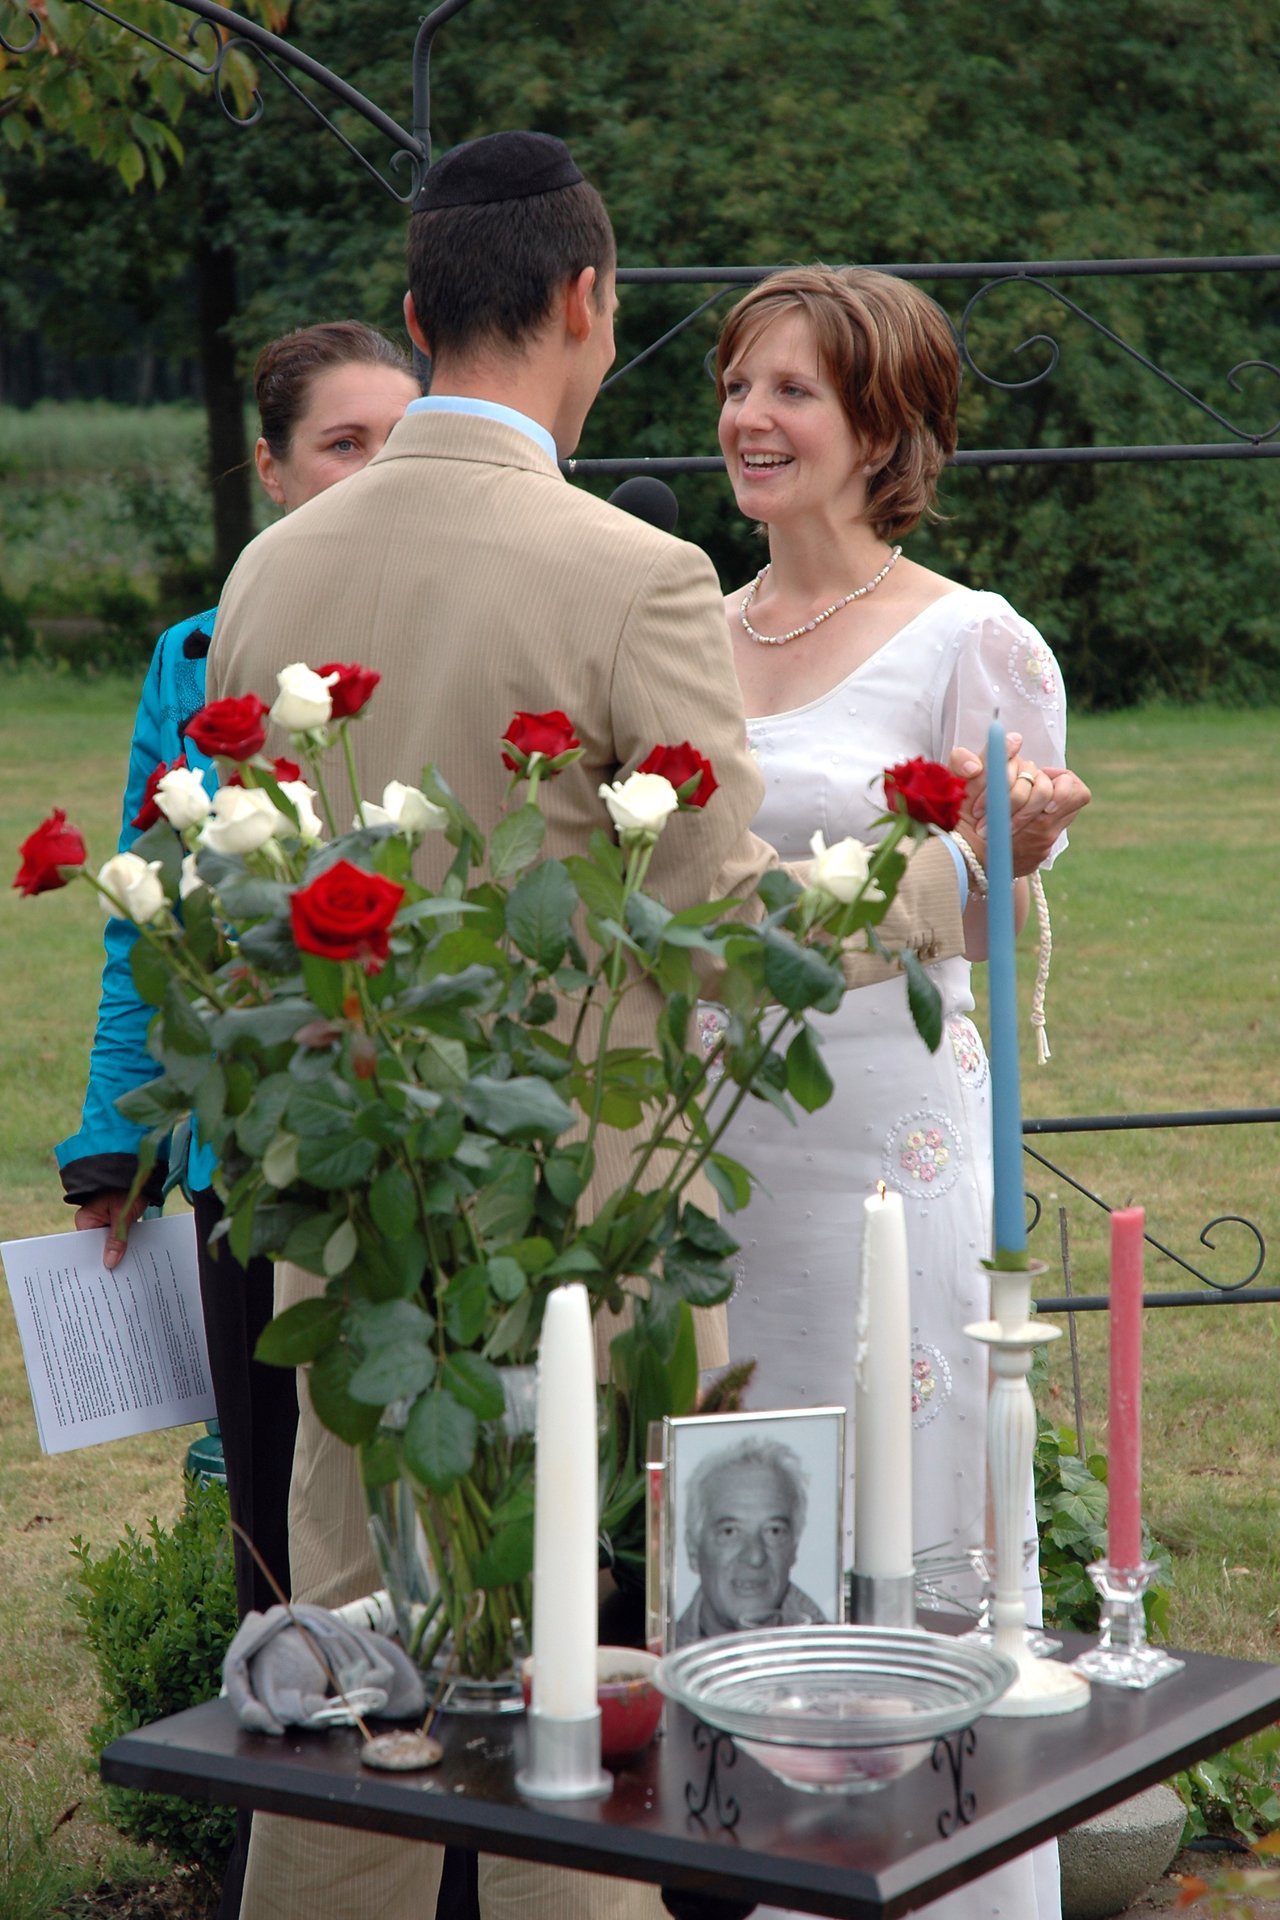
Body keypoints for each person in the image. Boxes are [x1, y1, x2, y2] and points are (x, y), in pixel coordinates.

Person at [206, 133, 1090, 1920]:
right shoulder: (635, 574)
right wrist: (955, 887)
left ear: (413, 311)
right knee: (552, 1705)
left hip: (354, 1230)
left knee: (348, 1709)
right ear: (591, 302)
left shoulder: (267, 577)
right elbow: (712, 925)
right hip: (551, 1221)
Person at [711, 264, 1071, 1920]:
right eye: (737, 383)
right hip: (712, 1161)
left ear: (885, 429)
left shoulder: (970, 637)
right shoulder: (690, 631)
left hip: (894, 1145)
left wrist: (1012, 853)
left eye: (793, 390)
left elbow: (994, 917)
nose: (748, 417)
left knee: (919, 1536)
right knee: (749, 1538)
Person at [54, 320, 420, 1920]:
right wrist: (116, 1139)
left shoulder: (445, 622)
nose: (374, 475)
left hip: (435, 1128)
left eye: (400, 443)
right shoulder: (197, 658)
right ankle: (299, 1836)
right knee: (280, 1514)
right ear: (270, 472)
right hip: (259, 1147)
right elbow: (150, 921)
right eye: (342, 445)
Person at [675, 1435, 825, 1645]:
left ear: (794, 1547)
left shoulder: (832, 1659)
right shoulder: (657, 1662)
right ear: (692, 1550)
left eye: (773, 1531)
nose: (755, 1556)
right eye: (730, 1532)